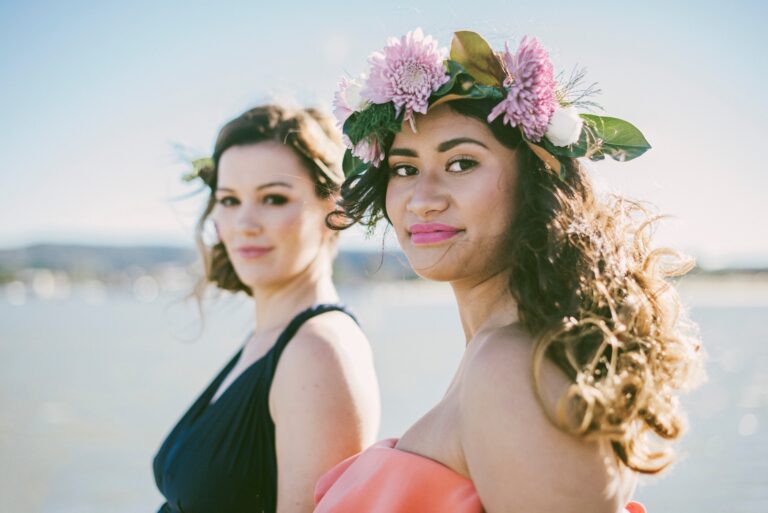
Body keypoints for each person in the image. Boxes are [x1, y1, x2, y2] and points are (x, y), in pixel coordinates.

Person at [317, 29, 703, 513]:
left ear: (535, 182)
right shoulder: (493, 354)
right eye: (404, 168)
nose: (423, 198)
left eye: (461, 164)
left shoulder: (509, 369)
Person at [153, 105, 380, 513]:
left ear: (335, 208)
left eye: (274, 198)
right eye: (229, 200)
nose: (245, 223)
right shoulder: (272, 337)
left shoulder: (318, 351)